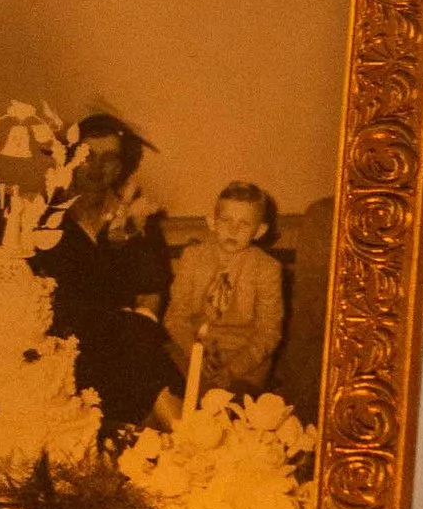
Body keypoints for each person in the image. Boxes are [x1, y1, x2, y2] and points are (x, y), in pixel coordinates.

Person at [44, 112, 174, 434]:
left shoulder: (136, 221)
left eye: (110, 158)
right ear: (69, 159)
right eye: (87, 155)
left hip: (125, 351)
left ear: (121, 167)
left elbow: (150, 297)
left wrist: (135, 341)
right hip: (62, 356)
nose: (97, 167)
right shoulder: (41, 221)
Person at [164, 182, 285, 398]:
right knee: (164, 393)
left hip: (244, 364)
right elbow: (175, 316)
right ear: (212, 222)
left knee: (224, 408)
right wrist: (194, 353)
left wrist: (233, 369)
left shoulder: (267, 269)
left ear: (259, 231)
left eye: (244, 224)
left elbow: (268, 332)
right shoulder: (192, 257)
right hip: (190, 353)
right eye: (226, 220)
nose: (233, 230)